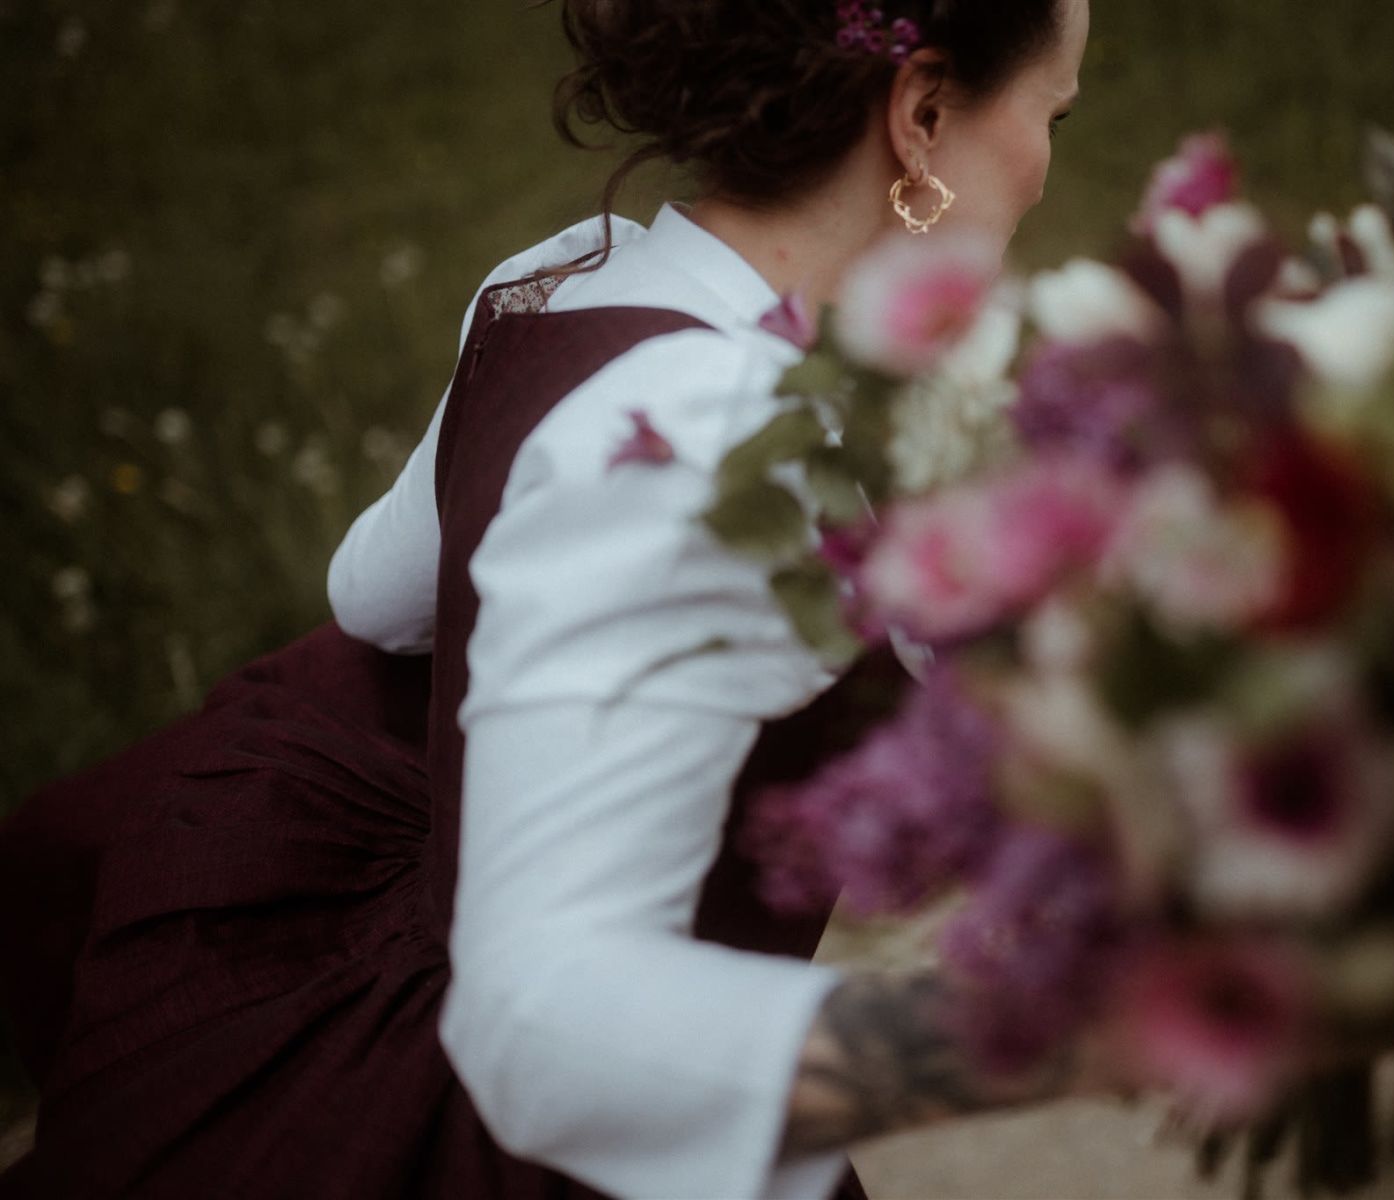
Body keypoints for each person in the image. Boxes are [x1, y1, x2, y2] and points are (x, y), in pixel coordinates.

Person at [0, 0, 1093, 1196]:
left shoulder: (560, 277)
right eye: (1051, 112)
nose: (1044, 169)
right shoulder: (717, 442)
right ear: (924, 113)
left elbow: (373, 594)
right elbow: (551, 1022)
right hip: (500, 1123)